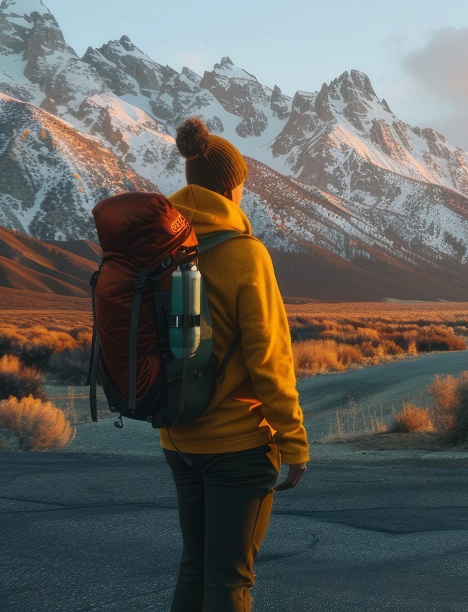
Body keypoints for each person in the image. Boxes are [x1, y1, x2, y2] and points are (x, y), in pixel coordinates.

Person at [163, 116, 310, 612]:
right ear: (233, 187)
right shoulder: (246, 255)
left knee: (195, 567)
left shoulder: (164, 249)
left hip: (177, 437)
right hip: (239, 445)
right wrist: (294, 443)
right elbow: (269, 361)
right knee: (230, 581)